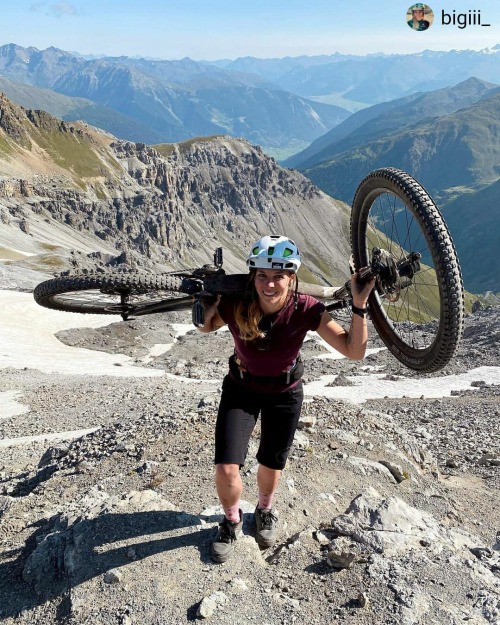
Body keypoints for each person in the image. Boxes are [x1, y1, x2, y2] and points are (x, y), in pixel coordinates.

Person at [197, 235, 375, 563]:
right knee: (226, 469)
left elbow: (354, 350)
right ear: (252, 276)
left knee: (270, 463)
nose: (269, 283)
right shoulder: (235, 304)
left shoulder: (307, 308)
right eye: (262, 275)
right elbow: (208, 326)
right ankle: (232, 521)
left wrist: (360, 305)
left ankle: (264, 509)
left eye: (278, 276)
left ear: (291, 277)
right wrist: (206, 305)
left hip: (285, 394)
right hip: (241, 389)